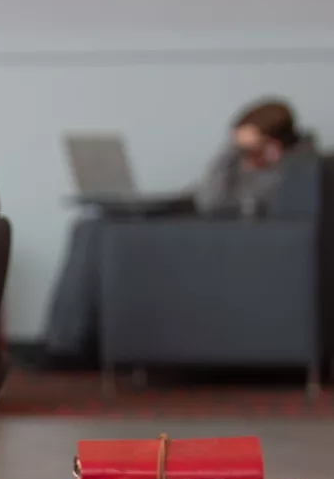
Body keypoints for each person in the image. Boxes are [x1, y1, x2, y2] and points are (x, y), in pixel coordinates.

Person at [40, 97, 315, 366]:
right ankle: (71, 339)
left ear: (272, 144)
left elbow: (213, 202)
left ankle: (66, 345)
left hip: (203, 228)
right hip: (191, 211)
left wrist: (230, 153)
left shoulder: (288, 172)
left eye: (244, 144)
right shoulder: (260, 164)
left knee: (95, 230)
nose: (240, 151)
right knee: (91, 224)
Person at [195, 99, 315, 216]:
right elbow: (208, 203)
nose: (245, 157)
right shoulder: (235, 163)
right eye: (241, 149)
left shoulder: (300, 171)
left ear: (274, 146)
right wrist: (231, 149)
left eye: (251, 149)